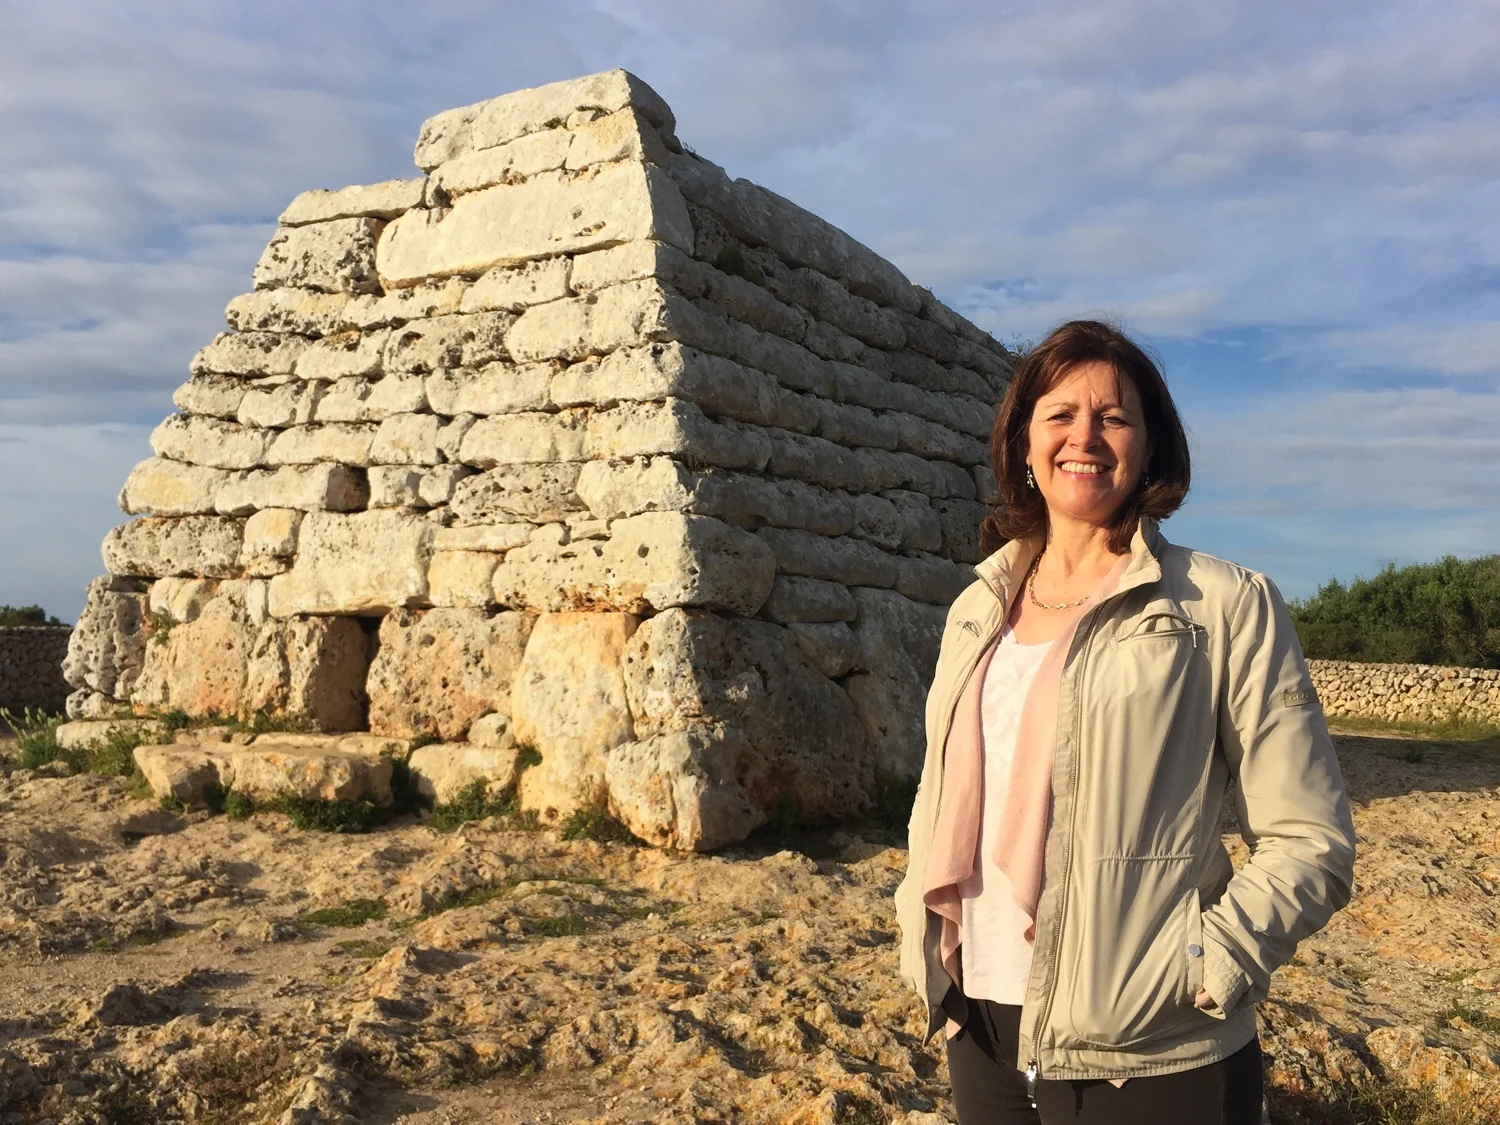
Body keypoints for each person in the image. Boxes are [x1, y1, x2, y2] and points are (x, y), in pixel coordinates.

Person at [894, 320, 1355, 1125]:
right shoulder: (978, 606)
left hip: (1152, 1048)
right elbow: (941, 795)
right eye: (1061, 413)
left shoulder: (1223, 605)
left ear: (1148, 447)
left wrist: (1213, 961)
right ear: (1025, 444)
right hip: (984, 1023)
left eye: (1114, 417)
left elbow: (1312, 836)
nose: (1086, 436)